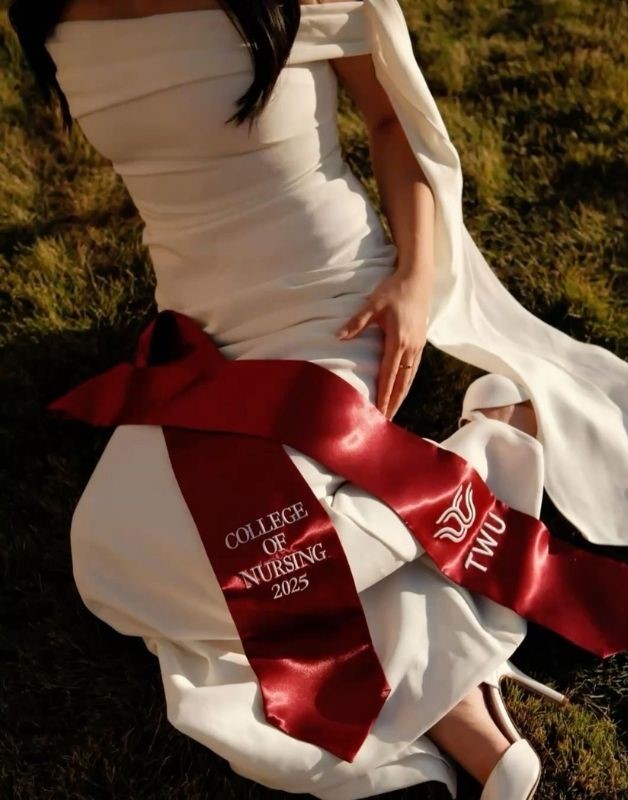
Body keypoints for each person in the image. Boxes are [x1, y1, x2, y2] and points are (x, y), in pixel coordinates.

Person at [8, 1, 627, 798]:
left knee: (245, 541)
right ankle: (451, 691)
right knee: (112, 549)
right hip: (201, 340)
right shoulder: (53, 12)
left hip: (330, 311)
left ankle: (497, 438)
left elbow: (390, 121)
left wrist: (411, 277)